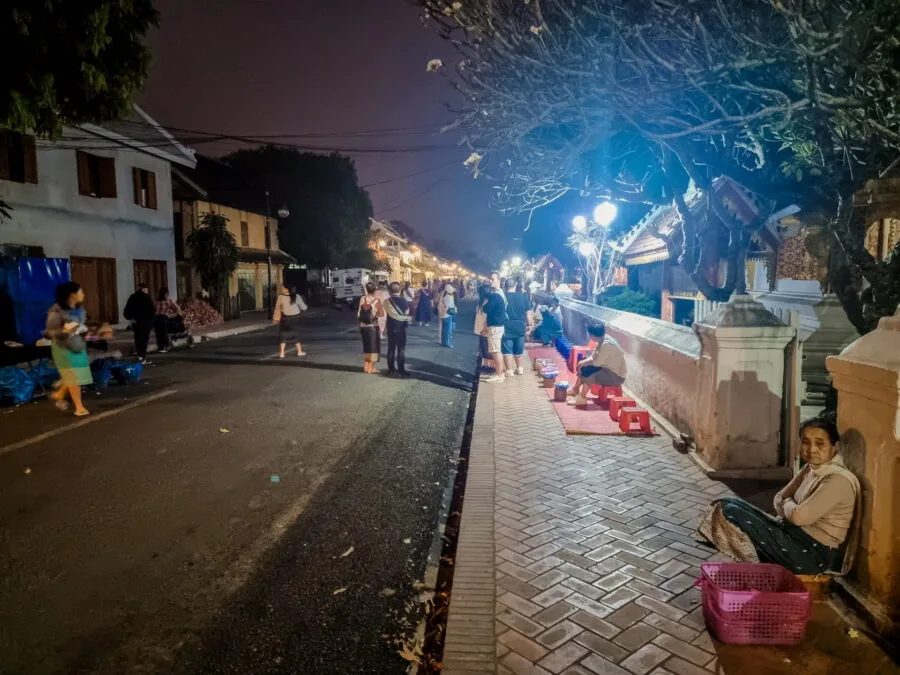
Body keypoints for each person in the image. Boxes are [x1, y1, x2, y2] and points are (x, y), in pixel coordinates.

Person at [697, 418, 860, 575]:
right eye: (805, 442)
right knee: (726, 503)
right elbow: (778, 499)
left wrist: (788, 503)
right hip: (790, 533)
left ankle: (756, 567)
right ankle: (756, 566)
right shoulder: (809, 469)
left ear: (834, 447)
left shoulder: (838, 480)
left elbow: (798, 516)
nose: (811, 449)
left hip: (812, 554)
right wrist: (791, 508)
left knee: (730, 512)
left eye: (819, 443)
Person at [45, 282, 92, 416]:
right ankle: (79, 407)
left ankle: (59, 393)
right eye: (80, 292)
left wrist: (87, 333)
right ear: (72, 295)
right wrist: (64, 331)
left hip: (77, 345)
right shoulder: (56, 311)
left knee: (79, 375)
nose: (83, 294)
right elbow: (50, 332)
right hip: (63, 347)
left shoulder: (80, 310)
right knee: (74, 377)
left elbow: (81, 327)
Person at [569, 323, 627, 405]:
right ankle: (575, 389)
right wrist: (583, 363)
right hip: (607, 369)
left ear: (592, 335)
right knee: (584, 368)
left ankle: (582, 398)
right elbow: (594, 357)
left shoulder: (606, 345)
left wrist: (584, 362)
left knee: (590, 374)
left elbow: (597, 363)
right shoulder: (602, 339)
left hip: (616, 376)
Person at [501, 278, 533, 376]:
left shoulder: (503, 297)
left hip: (506, 325)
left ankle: (509, 370)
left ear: (505, 286)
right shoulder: (523, 296)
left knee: (507, 348)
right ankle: (519, 368)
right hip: (520, 325)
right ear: (515, 285)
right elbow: (528, 312)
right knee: (519, 347)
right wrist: (529, 325)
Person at [482, 274, 508, 383]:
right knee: (495, 350)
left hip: (495, 326)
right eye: (490, 279)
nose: (490, 281)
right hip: (497, 325)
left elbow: (486, 309)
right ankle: (499, 373)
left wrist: (486, 302)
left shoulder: (496, 296)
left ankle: (499, 375)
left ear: (499, 280)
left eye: (493, 279)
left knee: (495, 351)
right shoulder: (500, 294)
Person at [384, 281, 412, 376]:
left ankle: (391, 369)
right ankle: (401, 369)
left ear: (390, 291)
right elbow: (407, 312)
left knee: (391, 349)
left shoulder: (386, 302)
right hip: (401, 327)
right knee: (401, 349)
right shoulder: (403, 300)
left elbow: (385, 312)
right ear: (399, 290)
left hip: (391, 327)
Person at [273, 284, 308, 358]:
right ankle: (299, 351)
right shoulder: (297, 296)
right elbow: (304, 307)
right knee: (295, 334)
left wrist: (276, 319)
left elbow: (277, 308)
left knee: (283, 334)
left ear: (287, 289)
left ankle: (282, 353)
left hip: (285, 318)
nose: (281, 289)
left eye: (282, 288)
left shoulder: (280, 297)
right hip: (295, 318)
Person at [124, 283, 155, 362]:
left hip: (136, 322)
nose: (147, 291)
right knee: (144, 339)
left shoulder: (132, 297)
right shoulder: (147, 297)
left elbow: (127, 310)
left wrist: (130, 318)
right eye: (146, 290)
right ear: (143, 289)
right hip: (146, 322)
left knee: (138, 339)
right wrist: (151, 320)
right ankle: (143, 357)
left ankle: (139, 356)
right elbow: (152, 310)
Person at [358, 282, 384, 373]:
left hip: (363, 326)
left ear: (367, 289)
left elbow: (359, 313)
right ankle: (371, 368)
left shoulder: (363, 298)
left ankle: (365, 367)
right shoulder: (377, 300)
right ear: (374, 290)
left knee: (366, 346)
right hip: (373, 326)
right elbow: (381, 314)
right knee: (373, 348)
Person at [154, 287, 182, 354]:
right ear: (166, 294)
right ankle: (166, 346)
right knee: (163, 332)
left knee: (158, 333)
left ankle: (161, 347)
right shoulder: (168, 301)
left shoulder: (156, 302)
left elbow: (153, 311)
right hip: (163, 318)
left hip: (156, 319)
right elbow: (177, 309)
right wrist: (175, 314)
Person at [474, 283, 493, 371]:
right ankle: (486, 365)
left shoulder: (484, 302)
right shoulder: (485, 302)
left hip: (484, 329)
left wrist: (485, 329)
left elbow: (487, 318)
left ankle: (489, 365)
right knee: (485, 348)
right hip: (483, 329)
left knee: (486, 348)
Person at [437, 283, 457, 347]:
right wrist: (442, 314)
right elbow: (447, 307)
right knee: (447, 330)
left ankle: (443, 342)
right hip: (447, 314)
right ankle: (446, 343)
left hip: (445, 314)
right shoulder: (449, 297)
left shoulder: (445, 296)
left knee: (444, 329)